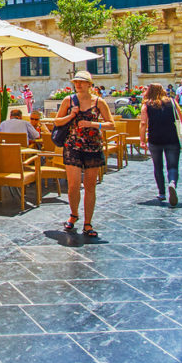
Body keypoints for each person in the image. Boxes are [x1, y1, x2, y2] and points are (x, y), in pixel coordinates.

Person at [53, 71, 114, 238]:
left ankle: (88, 222)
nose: (78, 84)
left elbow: (111, 124)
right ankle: (73, 214)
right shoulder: (69, 100)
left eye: (81, 82)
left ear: (89, 84)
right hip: (73, 146)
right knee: (73, 185)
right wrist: (71, 115)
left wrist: (93, 124)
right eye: (76, 82)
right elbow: (57, 122)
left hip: (92, 147)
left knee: (90, 186)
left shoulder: (99, 102)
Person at [138, 83, 182, 206]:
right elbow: (181, 118)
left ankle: (162, 193)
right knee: (173, 166)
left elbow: (143, 123)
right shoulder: (172, 102)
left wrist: (142, 139)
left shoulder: (147, 105)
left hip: (155, 139)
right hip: (172, 138)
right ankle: (172, 183)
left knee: (158, 166)